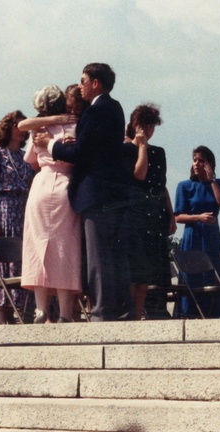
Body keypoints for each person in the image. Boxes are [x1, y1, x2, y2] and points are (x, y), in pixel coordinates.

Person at [36, 62, 131, 322]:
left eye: (83, 80)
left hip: (96, 193)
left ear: (95, 83)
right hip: (116, 192)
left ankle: (101, 312)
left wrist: (50, 144)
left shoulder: (94, 112)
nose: (80, 86)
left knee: (98, 256)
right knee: (116, 256)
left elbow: (81, 154)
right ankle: (122, 310)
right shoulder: (116, 107)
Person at [19, 86, 81, 324]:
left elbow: (31, 161)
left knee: (37, 245)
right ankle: (65, 312)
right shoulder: (73, 125)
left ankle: (40, 309)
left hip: (41, 185)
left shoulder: (39, 128)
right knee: (66, 248)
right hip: (65, 184)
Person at [124, 104, 175, 320]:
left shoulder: (159, 152)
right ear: (137, 125)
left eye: (152, 126)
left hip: (154, 215)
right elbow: (139, 175)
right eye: (146, 126)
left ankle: (141, 312)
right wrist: (142, 146)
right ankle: (130, 313)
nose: (150, 130)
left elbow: (160, 185)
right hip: (133, 214)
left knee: (148, 273)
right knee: (133, 271)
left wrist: (170, 215)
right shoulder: (126, 150)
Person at [0, 110, 34, 319]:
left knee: (23, 258)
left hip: (25, 207)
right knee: (4, 259)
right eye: (17, 126)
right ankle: (3, 315)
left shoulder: (26, 157)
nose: (21, 131)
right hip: (4, 206)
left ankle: (23, 310)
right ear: (8, 128)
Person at [174, 146, 220, 318]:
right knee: (192, 277)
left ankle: (215, 314)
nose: (197, 164)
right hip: (193, 237)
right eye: (195, 160)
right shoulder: (184, 186)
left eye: (201, 160)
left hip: (212, 238)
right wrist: (198, 217)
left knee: (213, 275)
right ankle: (188, 314)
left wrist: (212, 179)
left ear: (209, 164)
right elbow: (178, 217)